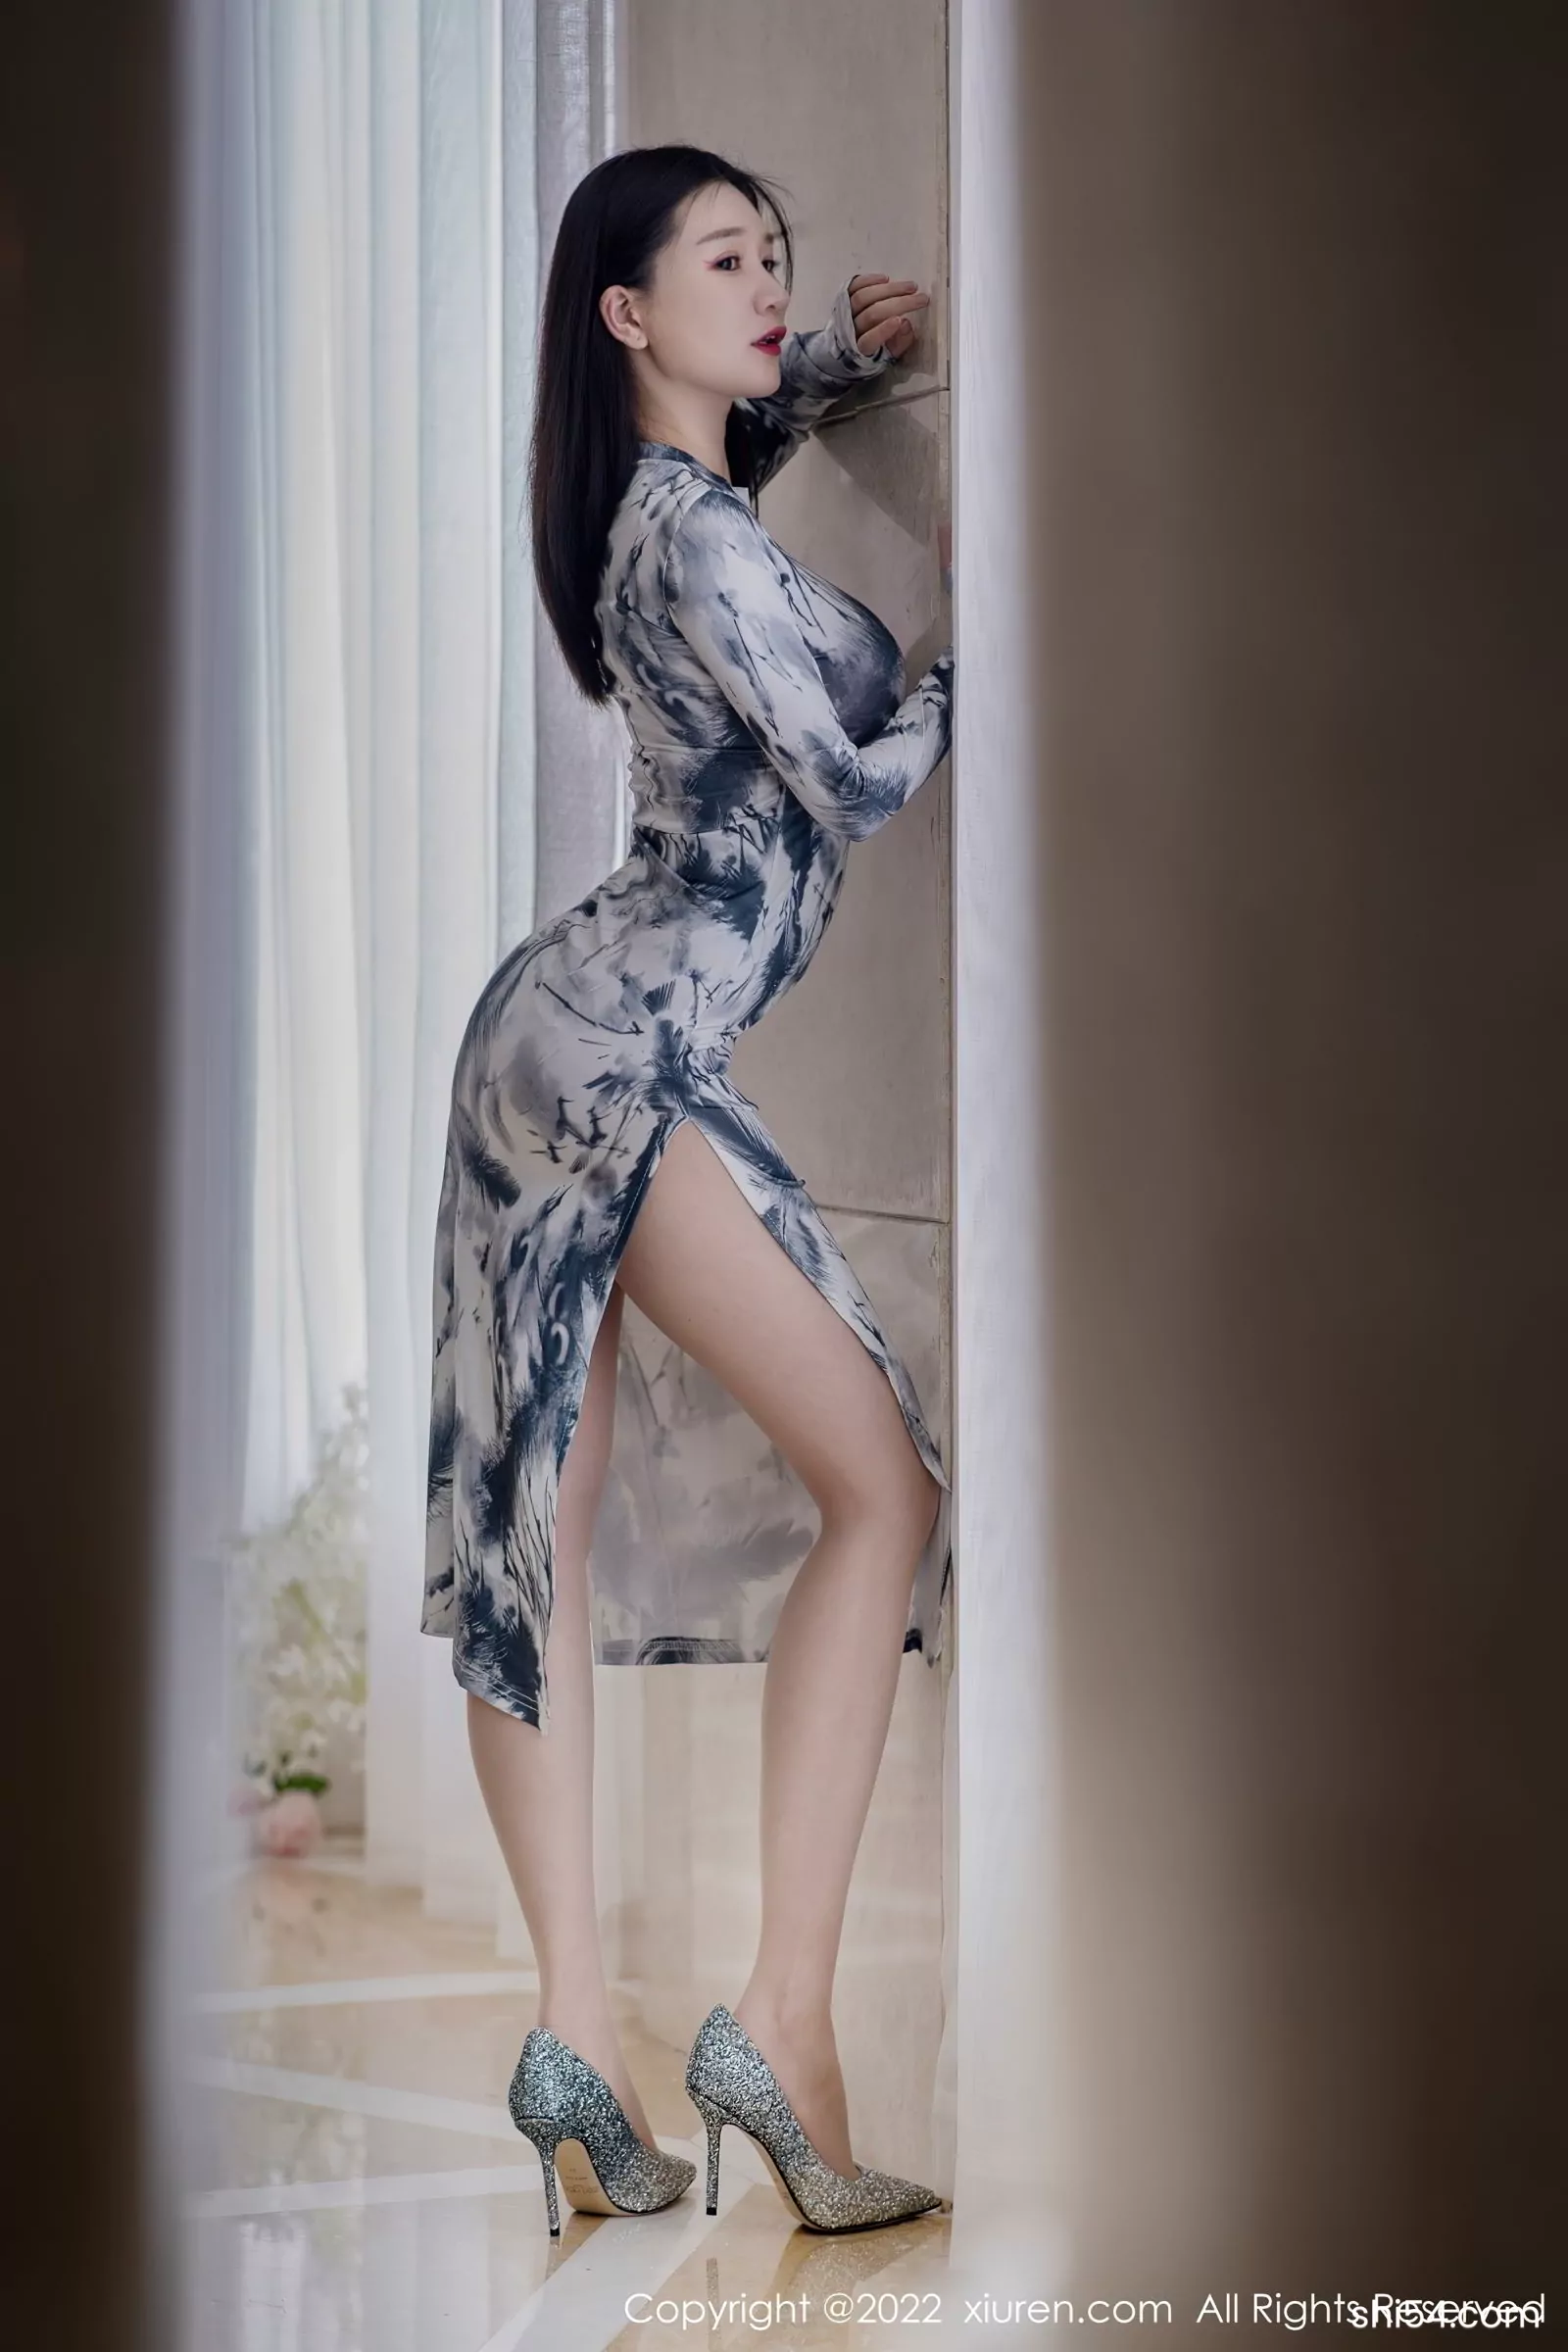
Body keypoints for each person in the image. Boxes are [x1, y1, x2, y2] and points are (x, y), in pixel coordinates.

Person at [421, 143, 955, 2235]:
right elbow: (858, 777)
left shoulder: (651, 508)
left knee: (532, 1541)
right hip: (621, 1051)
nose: (768, 284)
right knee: (880, 1490)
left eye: (775, 258)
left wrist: (837, 363)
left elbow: (742, 431)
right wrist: (991, 636)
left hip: (555, 1041)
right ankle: (782, 2030)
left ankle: (578, 2036)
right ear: (626, 313)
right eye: (726, 261)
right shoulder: (696, 536)